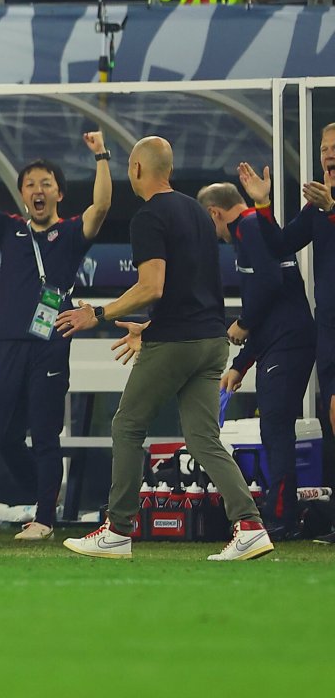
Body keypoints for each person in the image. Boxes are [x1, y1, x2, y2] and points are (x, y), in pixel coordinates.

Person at [57, 135, 273, 562]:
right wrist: (150, 326)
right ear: (168, 169)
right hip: (211, 342)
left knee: (127, 426)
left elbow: (151, 285)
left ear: (137, 169)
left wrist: (96, 314)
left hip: (177, 343)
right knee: (203, 438)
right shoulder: (197, 211)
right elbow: (190, 289)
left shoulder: (148, 216)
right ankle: (249, 526)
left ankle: (117, 530)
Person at [0, 123, 111, 540]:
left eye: (46, 184)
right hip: (5, 345)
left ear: (59, 193)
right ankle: (44, 493)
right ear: (22, 194)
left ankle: (44, 517)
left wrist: (100, 156)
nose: (37, 190)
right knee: (2, 433)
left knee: (45, 431)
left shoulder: (72, 233)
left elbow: (101, 207)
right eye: (29, 185)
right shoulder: (10, 229)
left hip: (50, 344)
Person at [197, 180, 315, 538]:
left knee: (276, 430)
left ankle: (282, 520)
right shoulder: (250, 228)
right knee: (275, 429)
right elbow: (268, 299)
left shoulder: (248, 228)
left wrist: (244, 324)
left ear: (214, 213)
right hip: (282, 342)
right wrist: (241, 363)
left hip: (288, 342)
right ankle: (283, 517)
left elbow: (269, 286)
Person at [236, 134, 335, 544]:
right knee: (332, 424)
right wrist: (263, 205)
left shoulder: (326, 206)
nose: (328, 153)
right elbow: (280, 244)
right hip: (328, 326)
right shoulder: (315, 204)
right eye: (325, 148)